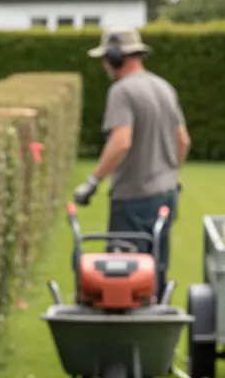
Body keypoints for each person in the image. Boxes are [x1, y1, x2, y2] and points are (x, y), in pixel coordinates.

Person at [73, 27, 190, 268]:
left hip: (133, 198)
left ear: (115, 57)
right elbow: (183, 141)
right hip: (166, 195)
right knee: (154, 271)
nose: (105, 65)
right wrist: (171, 174)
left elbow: (121, 141)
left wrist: (93, 182)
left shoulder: (122, 91)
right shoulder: (164, 87)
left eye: (106, 59)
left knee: (125, 277)